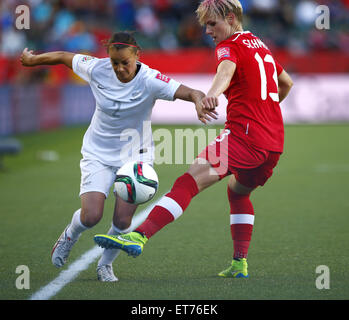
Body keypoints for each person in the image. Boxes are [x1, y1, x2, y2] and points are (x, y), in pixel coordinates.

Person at [94, 0, 293, 278]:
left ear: (232, 18)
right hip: (273, 142)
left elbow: (226, 70)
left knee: (189, 180)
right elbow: (287, 84)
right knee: (237, 191)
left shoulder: (229, 45)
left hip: (244, 136)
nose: (208, 32)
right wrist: (265, 111)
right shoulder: (261, 45)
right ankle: (239, 263)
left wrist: (212, 94)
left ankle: (138, 236)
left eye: (213, 24)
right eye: (206, 26)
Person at [20, 31, 217, 282]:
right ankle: (71, 233)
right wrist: (32, 60)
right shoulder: (96, 68)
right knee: (91, 216)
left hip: (136, 156)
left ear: (137, 56)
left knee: (123, 220)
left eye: (125, 62)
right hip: (97, 152)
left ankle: (105, 265)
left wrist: (199, 102)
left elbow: (191, 92)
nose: (119, 68)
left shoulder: (151, 79)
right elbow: (62, 56)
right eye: (115, 62)